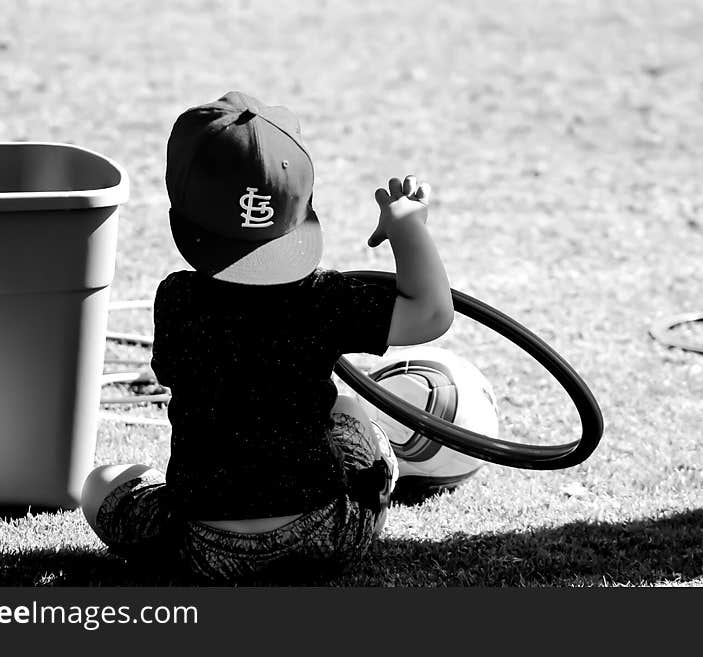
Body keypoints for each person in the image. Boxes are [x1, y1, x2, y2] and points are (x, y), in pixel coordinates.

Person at [81, 91, 453, 583]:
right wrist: (407, 229)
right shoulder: (324, 299)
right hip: (325, 534)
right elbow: (430, 314)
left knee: (98, 485)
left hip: (202, 545)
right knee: (345, 410)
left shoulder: (177, 300)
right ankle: (376, 496)